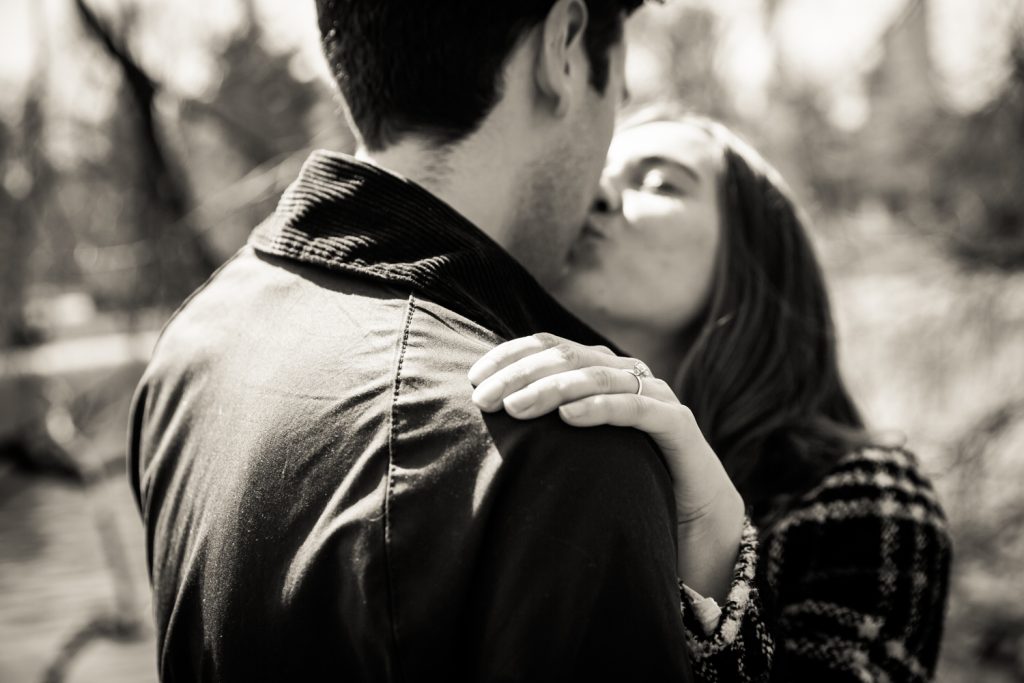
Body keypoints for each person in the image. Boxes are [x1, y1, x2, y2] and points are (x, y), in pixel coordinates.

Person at [129, 2, 696, 681]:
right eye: (617, 98)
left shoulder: (191, 347)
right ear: (564, 48)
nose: (603, 175)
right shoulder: (566, 452)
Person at [469, 111, 952, 682]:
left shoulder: (865, 499)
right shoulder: (499, 426)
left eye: (660, 182)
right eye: (595, 173)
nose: (597, 194)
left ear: (752, 258)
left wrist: (719, 568)